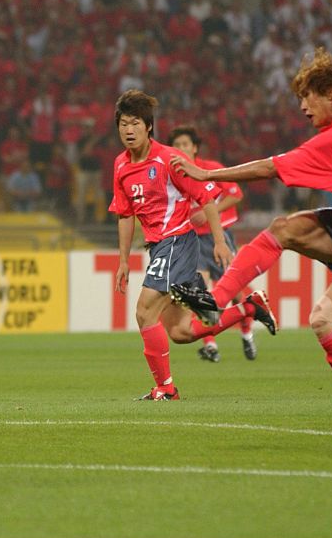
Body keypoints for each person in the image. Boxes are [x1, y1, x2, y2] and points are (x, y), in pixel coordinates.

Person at [169, 47, 332, 437]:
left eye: (308, 96)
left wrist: (209, 175)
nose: (303, 107)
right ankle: (216, 301)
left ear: (331, 94)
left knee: (323, 320)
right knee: (281, 228)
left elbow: (269, 168)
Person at [109, 90, 276, 402]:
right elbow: (124, 214)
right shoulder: (120, 166)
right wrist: (122, 261)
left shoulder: (170, 159)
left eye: (134, 123)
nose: (128, 130)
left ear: (148, 126)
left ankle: (166, 389)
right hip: (158, 247)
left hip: (177, 242)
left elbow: (206, 199)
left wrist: (218, 242)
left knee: (144, 311)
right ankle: (249, 308)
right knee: (181, 332)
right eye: (122, 124)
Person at [168, 126, 255, 363]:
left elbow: (236, 195)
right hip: (193, 241)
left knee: (235, 293)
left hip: (219, 238)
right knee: (199, 293)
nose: (181, 149)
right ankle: (211, 345)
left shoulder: (211, 169)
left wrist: (209, 212)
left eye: (185, 144)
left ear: (195, 148)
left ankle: (247, 334)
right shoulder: (172, 174)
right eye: (177, 145)